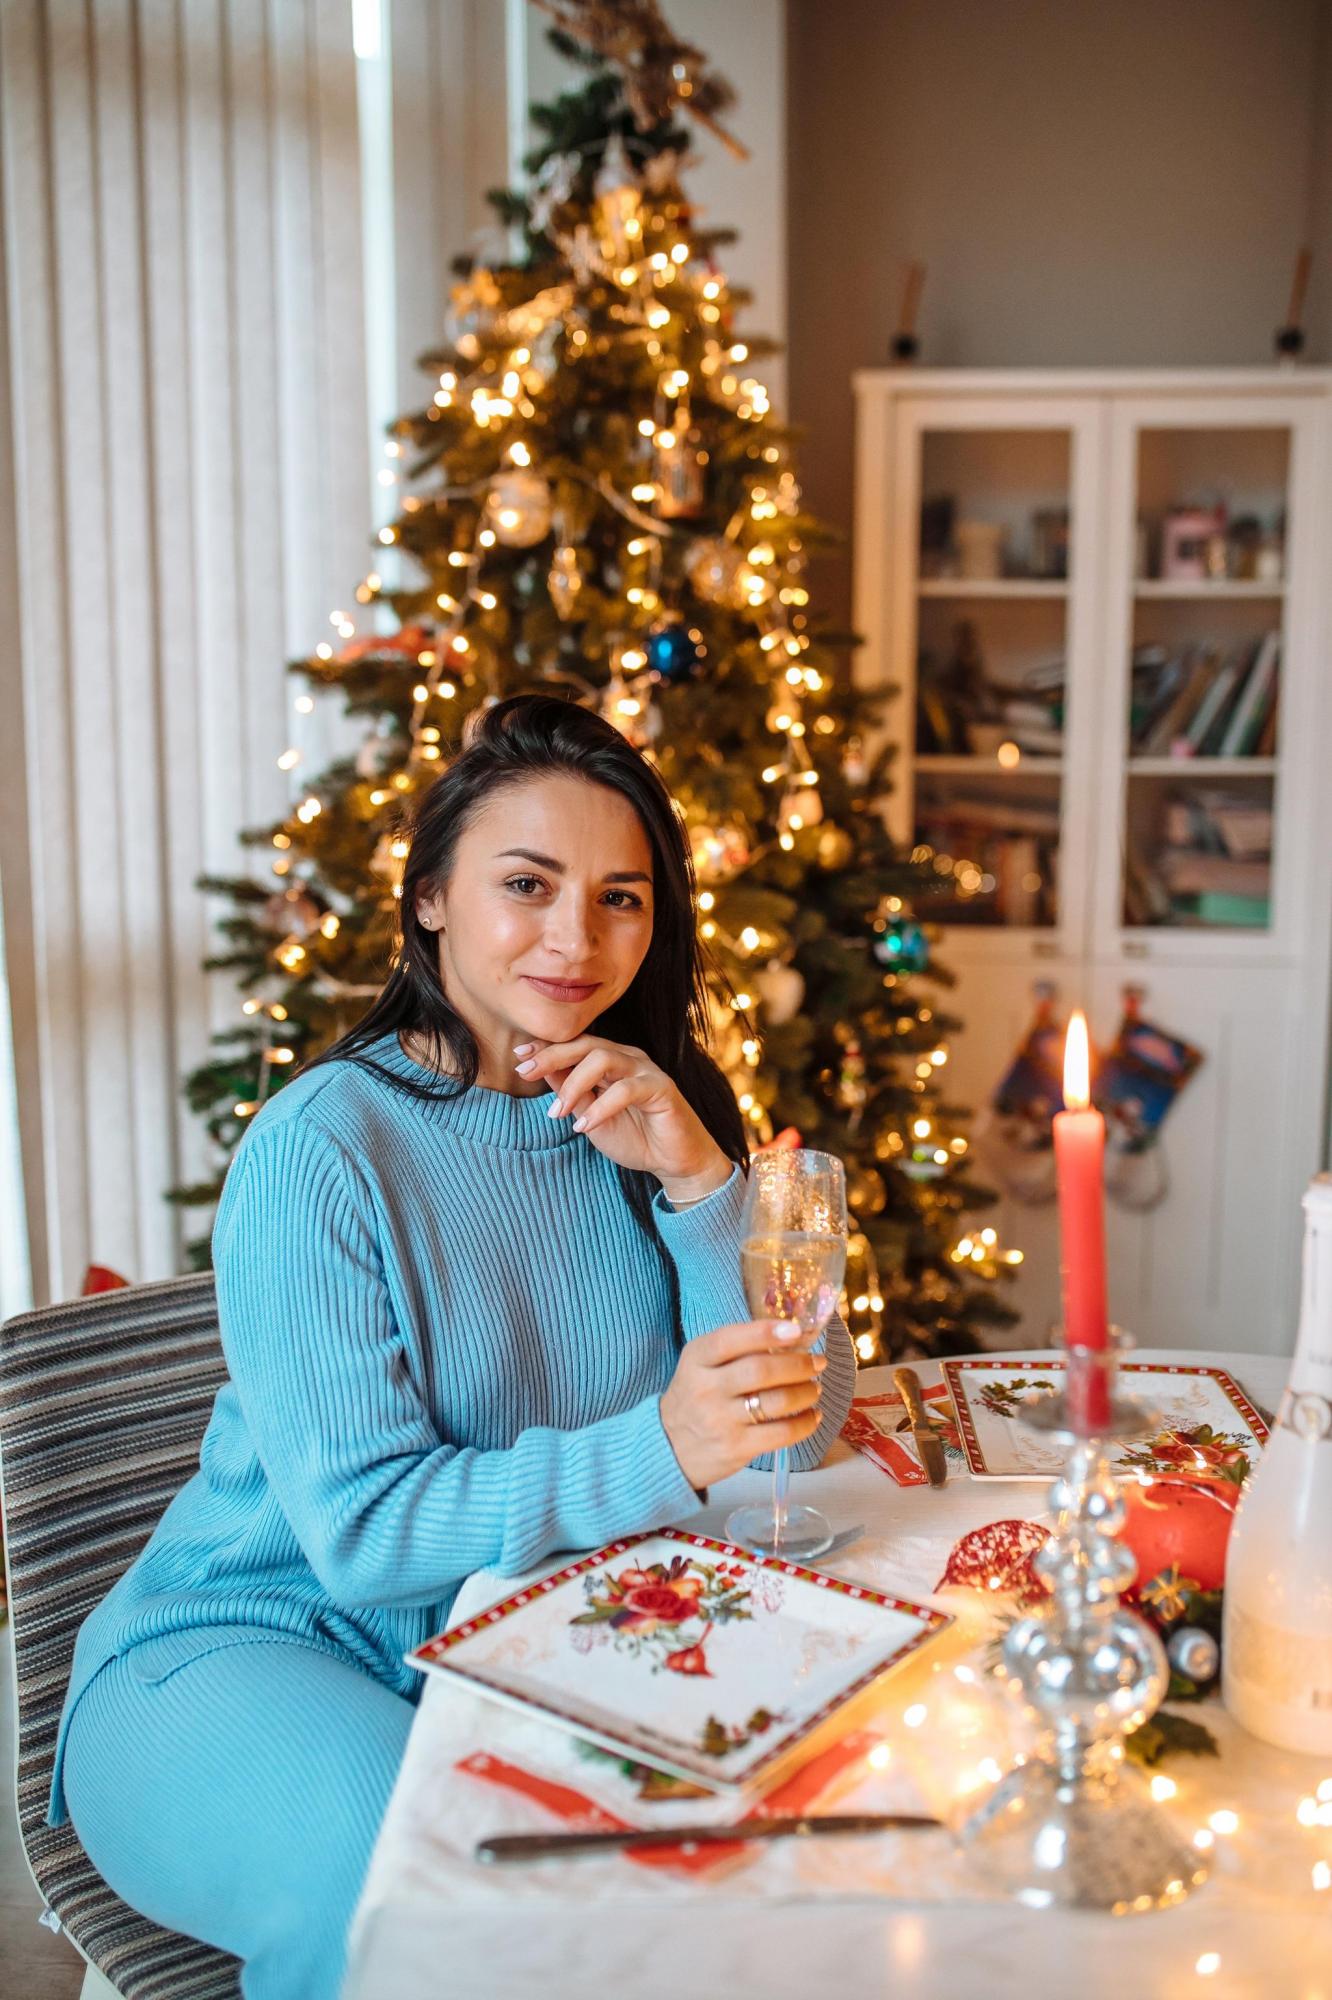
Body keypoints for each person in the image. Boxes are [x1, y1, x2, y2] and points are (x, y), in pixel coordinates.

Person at [52, 694, 856, 1999]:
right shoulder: (322, 1152)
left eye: (621, 899)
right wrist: (663, 1445)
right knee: (418, 1905)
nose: (576, 938)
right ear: (429, 896)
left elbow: (802, 1422)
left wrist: (707, 1182)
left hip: (529, 1638)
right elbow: (360, 1537)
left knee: (777, 1860)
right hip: (261, 1647)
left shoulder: (649, 1110)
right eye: (526, 885)